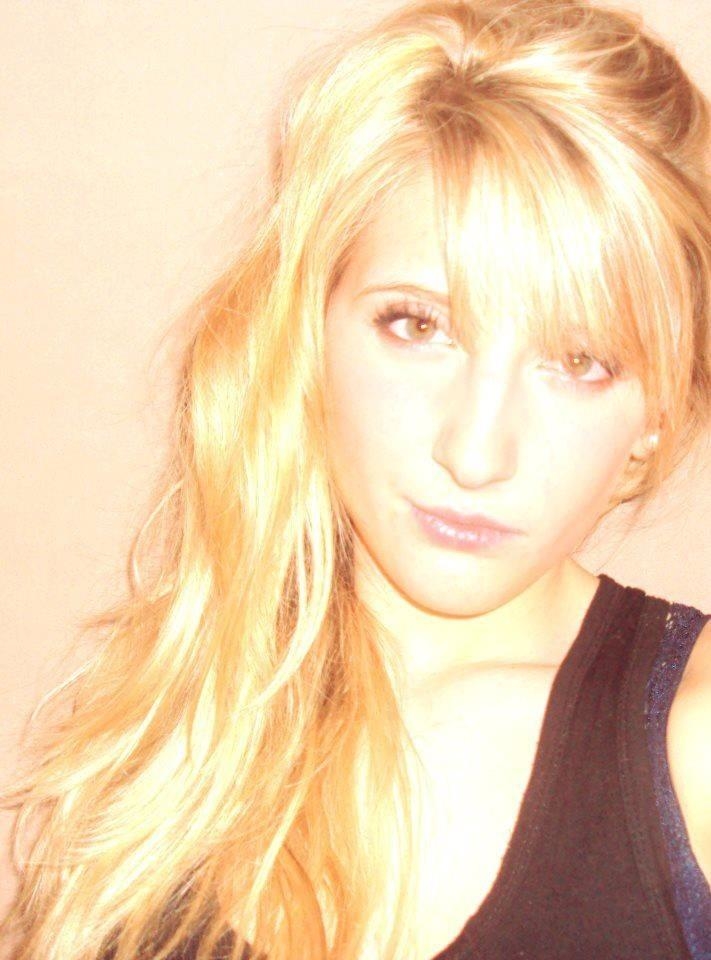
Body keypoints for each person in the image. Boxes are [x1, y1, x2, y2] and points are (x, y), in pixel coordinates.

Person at [3, 0, 710, 958]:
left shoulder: (693, 742)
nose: (474, 453)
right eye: (418, 325)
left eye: (578, 362)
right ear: (308, 327)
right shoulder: (161, 729)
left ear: (656, 410)